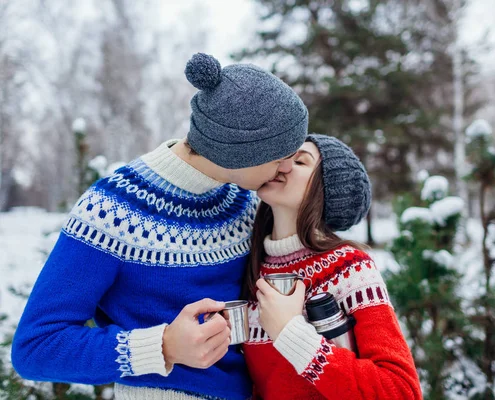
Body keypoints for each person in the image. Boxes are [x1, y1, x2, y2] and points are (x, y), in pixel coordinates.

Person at [11, 53, 308, 400]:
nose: (289, 166)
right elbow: (36, 346)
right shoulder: (112, 211)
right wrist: (163, 346)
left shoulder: (244, 202)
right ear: (238, 153)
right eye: (280, 157)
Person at [242, 134, 422, 400]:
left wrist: (289, 332)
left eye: (300, 161)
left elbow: (401, 391)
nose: (281, 163)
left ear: (324, 190)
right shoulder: (250, 269)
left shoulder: (349, 269)